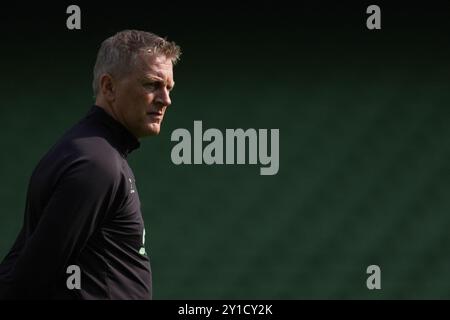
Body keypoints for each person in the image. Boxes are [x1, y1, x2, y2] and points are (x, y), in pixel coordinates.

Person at [0, 30, 181, 299]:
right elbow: (27, 281)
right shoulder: (96, 165)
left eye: (168, 88)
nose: (165, 99)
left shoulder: (92, 153)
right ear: (109, 87)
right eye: (152, 84)